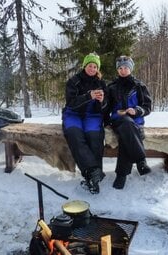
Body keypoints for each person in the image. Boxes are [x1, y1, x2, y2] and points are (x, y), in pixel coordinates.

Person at [62, 53, 107, 194]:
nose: (92, 69)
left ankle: (93, 179)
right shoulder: (73, 81)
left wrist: (102, 102)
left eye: (95, 66)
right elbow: (71, 103)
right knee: (75, 135)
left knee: (94, 137)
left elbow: (106, 107)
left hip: (92, 115)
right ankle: (94, 172)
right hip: (73, 114)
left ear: (97, 69)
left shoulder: (101, 84)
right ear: (84, 66)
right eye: (90, 66)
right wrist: (89, 96)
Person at [105, 55, 152, 189]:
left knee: (127, 133)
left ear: (130, 69)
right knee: (126, 123)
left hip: (136, 121)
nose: (123, 70)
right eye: (120, 68)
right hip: (118, 120)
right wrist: (106, 120)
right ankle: (141, 160)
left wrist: (136, 110)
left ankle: (121, 175)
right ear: (117, 70)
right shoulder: (112, 87)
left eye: (126, 68)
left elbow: (147, 107)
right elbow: (106, 108)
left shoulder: (139, 86)